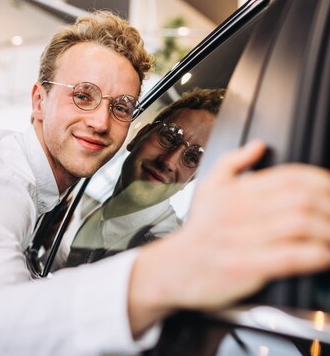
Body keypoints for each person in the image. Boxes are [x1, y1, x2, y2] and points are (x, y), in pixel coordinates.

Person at [0, 11, 330, 356]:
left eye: (120, 106)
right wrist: (180, 265)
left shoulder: (56, 187)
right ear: (39, 99)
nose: (101, 122)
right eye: (82, 95)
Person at [57, 87, 225, 268]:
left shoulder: (162, 256)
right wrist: (51, 243)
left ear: (191, 179)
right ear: (140, 135)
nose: (169, 161)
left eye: (193, 157)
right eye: (169, 136)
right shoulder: (107, 213)